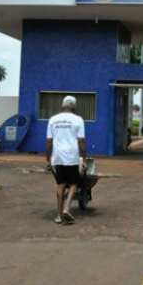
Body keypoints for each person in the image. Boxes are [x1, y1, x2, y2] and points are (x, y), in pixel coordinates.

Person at [46, 95, 87, 224]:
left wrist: (48, 159)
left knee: (60, 185)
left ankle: (58, 216)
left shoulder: (53, 119)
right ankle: (67, 208)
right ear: (74, 107)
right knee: (74, 183)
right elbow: (81, 141)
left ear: (63, 106)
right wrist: (84, 159)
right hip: (71, 157)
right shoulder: (78, 120)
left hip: (57, 157)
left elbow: (49, 141)